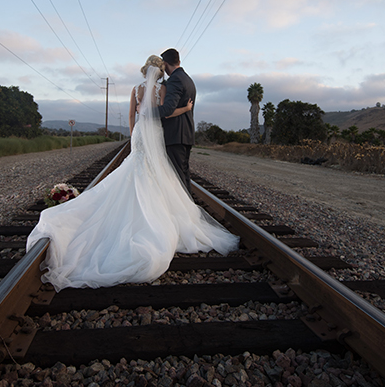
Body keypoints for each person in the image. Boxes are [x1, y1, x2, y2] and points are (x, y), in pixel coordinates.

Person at [26, 55, 238, 291]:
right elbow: (166, 113)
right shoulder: (163, 88)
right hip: (155, 133)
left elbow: (131, 115)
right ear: (160, 71)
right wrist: (186, 109)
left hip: (139, 133)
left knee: (135, 168)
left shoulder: (136, 89)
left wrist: (133, 134)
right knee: (157, 172)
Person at [155, 48, 196, 193]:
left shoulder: (175, 80)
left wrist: (146, 112)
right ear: (178, 61)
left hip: (175, 135)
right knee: (183, 175)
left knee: (177, 178)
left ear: (165, 64)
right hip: (186, 134)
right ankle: (189, 209)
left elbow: (168, 109)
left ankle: (184, 213)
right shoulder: (188, 79)